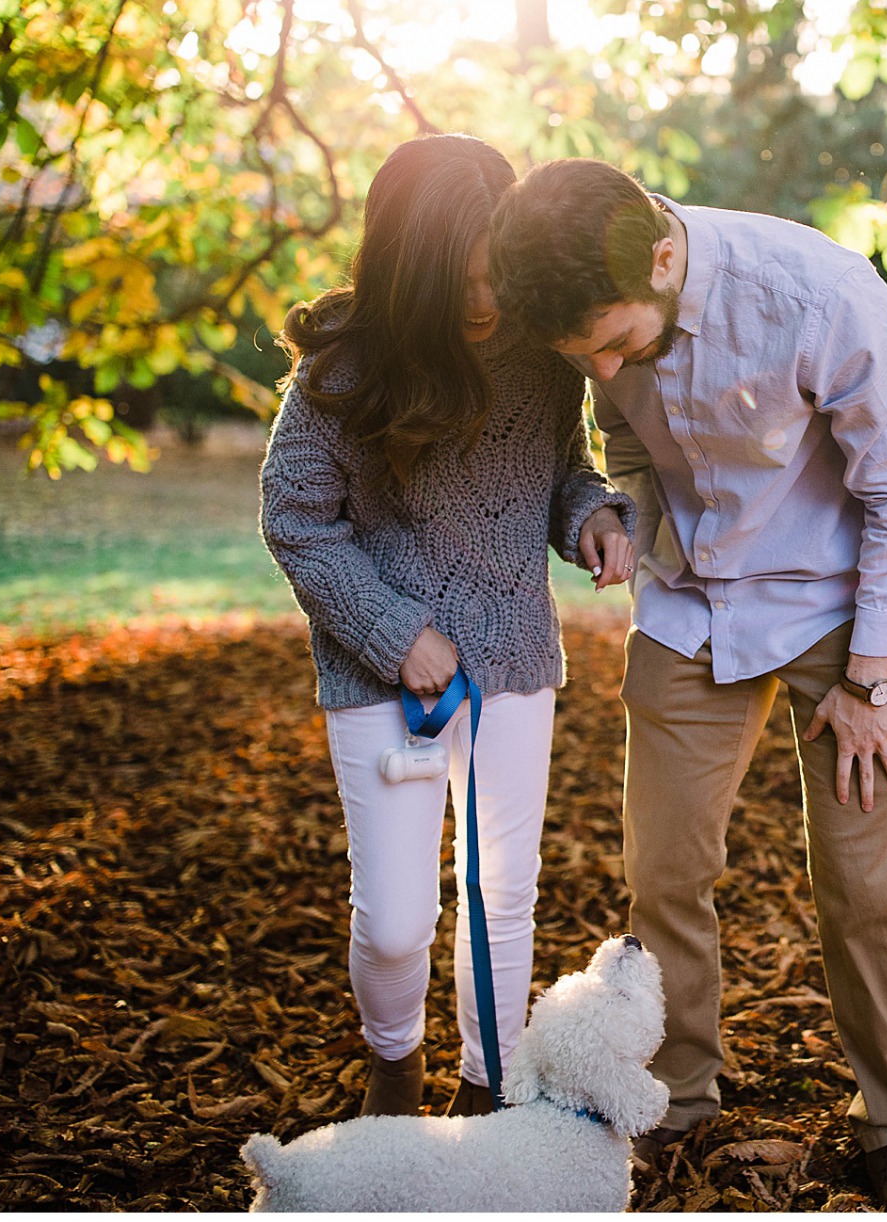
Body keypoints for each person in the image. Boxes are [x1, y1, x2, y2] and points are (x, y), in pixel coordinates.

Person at [488, 159, 887, 1210]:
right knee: (665, 872)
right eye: (585, 354)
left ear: (662, 253)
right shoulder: (596, 315)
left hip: (845, 613)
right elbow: (630, 449)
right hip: (692, 607)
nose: (604, 364)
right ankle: (681, 1098)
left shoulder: (820, 294)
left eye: (614, 340)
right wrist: (616, 516)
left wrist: (871, 677)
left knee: (865, 882)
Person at [259, 134, 635, 1121]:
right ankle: (396, 1066)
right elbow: (296, 520)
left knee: (503, 894)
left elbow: (563, 473)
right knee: (395, 920)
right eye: (460, 277)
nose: (484, 300)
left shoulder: (543, 357)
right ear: (408, 266)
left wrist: (591, 518)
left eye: (493, 273)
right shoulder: (341, 375)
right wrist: (393, 633)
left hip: (513, 656)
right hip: (385, 680)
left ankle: (487, 1090)